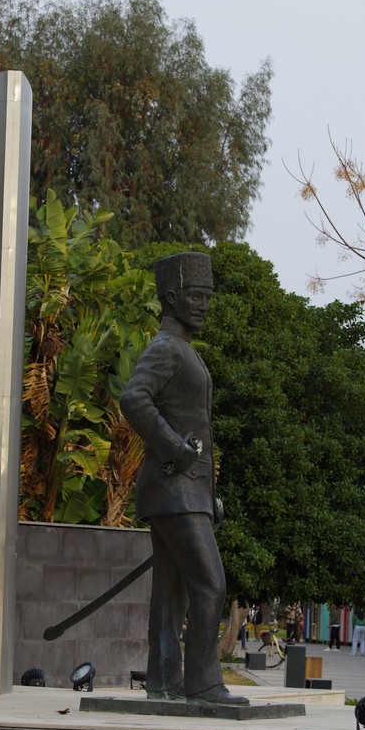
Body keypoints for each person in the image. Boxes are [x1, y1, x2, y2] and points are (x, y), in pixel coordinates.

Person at [119, 252, 248, 706]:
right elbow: (133, 398)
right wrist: (175, 447)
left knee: (171, 594)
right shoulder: (167, 348)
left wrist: (209, 498)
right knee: (210, 584)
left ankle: (163, 681)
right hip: (173, 488)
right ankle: (204, 684)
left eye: (207, 296)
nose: (204, 305)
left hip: (185, 492)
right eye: (195, 296)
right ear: (171, 298)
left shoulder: (183, 349)